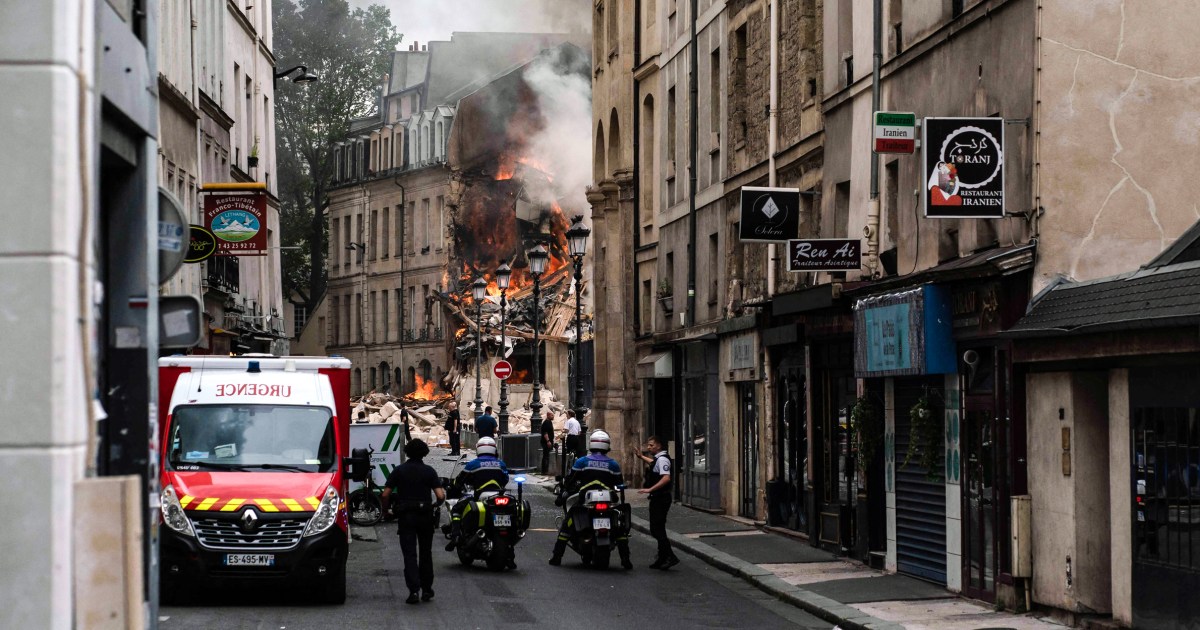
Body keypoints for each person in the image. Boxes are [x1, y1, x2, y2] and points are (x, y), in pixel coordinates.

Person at [549, 429, 632, 570]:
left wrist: (563, 491)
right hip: (608, 500)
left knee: (567, 525)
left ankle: (557, 556)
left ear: (591, 444)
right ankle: (625, 559)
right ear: (607, 445)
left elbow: (570, 480)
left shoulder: (582, 462)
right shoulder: (613, 464)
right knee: (619, 529)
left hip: (586, 499)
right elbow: (619, 484)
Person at [381, 438, 445, 605]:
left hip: (406, 516)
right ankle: (427, 589)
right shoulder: (429, 471)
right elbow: (440, 496)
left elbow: (385, 494)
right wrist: (434, 505)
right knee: (426, 554)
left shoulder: (399, 471)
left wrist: (386, 511)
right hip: (425, 516)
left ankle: (413, 591)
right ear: (424, 452)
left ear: (407, 452)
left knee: (409, 554)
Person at [445, 437, 511, 557]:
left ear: (478, 449)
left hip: (480, 495)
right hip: (499, 495)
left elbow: (460, 481)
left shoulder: (473, 464)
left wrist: (453, 487)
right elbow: (505, 480)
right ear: (494, 449)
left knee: (456, 510)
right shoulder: (501, 464)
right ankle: (510, 551)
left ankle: (455, 537)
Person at [635, 436, 679, 570]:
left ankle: (669, 556)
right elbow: (654, 464)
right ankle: (662, 557)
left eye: (651, 445)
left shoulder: (664, 459)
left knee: (657, 528)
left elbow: (666, 478)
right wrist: (641, 457)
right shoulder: (659, 459)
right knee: (657, 528)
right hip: (657, 497)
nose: (649, 447)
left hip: (661, 498)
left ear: (659, 446)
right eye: (648, 445)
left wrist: (650, 489)